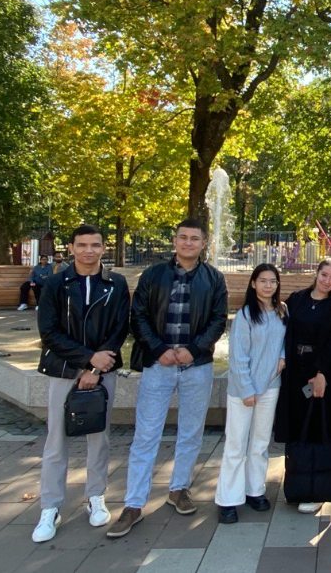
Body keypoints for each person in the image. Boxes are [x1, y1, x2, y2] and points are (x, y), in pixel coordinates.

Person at [108, 219, 228, 538]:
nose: (188, 243)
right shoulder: (153, 275)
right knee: (146, 434)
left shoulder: (214, 278)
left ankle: (179, 488)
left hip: (196, 366)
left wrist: (194, 350)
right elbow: (138, 316)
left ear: (204, 243)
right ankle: (134, 503)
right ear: (174, 241)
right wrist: (158, 349)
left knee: (191, 432)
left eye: (194, 238)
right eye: (182, 237)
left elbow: (218, 320)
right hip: (158, 365)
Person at [32, 225, 130, 543]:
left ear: (104, 248)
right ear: (72, 248)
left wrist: (97, 368)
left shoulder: (116, 284)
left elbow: (120, 327)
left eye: (95, 245)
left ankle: (96, 496)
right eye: (82, 245)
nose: (89, 250)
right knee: (56, 440)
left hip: (103, 371)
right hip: (65, 369)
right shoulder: (55, 284)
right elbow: (49, 332)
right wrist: (88, 360)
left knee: (99, 438)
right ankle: (50, 507)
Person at [274, 258, 331, 514]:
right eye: (324, 275)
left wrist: (320, 373)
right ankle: (298, 483)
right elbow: (283, 330)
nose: (327, 281)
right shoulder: (297, 299)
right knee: (297, 428)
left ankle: (317, 488)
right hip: (295, 371)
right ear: (316, 274)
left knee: (319, 428)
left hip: (321, 373)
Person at [215, 264, 288, 524]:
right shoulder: (245, 315)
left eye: (273, 281)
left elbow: (285, 340)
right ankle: (227, 499)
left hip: (271, 386)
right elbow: (237, 356)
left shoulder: (281, 310)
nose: (268, 286)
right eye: (263, 281)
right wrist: (247, 389)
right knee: (236, 444)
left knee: (260, 442)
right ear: (254, 284)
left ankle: (254, 490)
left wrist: (282, 358)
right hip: (243, 391)